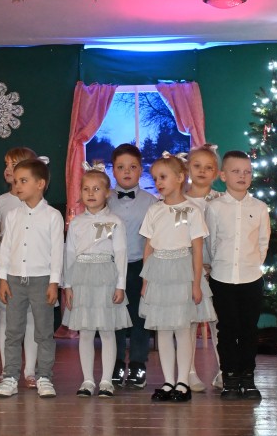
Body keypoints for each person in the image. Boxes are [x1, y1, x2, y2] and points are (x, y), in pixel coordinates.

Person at [139, 152, 210, 403]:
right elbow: (149, 247)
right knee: (163, 330)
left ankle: (183, 382)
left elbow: (197, 249)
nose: (158, 182)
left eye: (163, 177)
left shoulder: (192, 210)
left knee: (182, 329)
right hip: (159, 273)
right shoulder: (154, 210)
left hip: (183, 273)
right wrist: (146, 282)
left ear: (180, 178)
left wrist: (196, 283)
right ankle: (168, 381)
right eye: (155, 178)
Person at [0, 158, 63, 398]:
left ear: (40, 184)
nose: (17, 186)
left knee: (44, 332)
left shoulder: (53, 216)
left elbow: (57, 252)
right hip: (14, 280)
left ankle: (44, 376)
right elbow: (5, 248)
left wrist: (54, 282)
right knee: (13, 332)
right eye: (16, 181)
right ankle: (10, 377)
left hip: (41, 280)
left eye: (23, 181)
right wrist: (3, 278)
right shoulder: (13, 215)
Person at [205, 150, 270, 400]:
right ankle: (230, 378)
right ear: (223, 176)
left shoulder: (260, 208)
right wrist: (218, 266)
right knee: (227, 330)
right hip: (222, 278)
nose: (242, 176)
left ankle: (248, 378)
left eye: (247, 172)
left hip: (251, 278)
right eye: (236, 171)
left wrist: (252, 265)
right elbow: (211, 242)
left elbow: (263, 242)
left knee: (248, 330)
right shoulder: (215, 208)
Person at [63, 164, 131, 398]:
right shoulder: (76, 222)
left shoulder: (115, 221)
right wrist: (68, 285)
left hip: (106, 278)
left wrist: (120, 285)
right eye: (86, 189)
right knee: (86, 331)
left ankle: (106, 381)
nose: (91, 193)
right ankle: (88, 380)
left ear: (107, 193)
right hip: (82, 278)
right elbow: (69, 254)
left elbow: (120, 253)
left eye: (96, 189)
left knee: (107, 331)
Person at [108, 143, 157, 389]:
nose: (127, 172)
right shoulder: (103, 199)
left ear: (141, 170)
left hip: (140, 265)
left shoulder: (152, 202)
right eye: (121, 167)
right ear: (113, 170)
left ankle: (138, 363)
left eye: (133, 167)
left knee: (140, 317)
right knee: (115, 317)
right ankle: (115, 363)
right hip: (110, 268)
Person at [0, 147, 40, 387]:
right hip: (8, 262)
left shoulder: (39, 203)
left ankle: (30, 371)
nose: (9, 169)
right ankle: (7, 370)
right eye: (7, 164)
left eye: (15, 164)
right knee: (7, 318)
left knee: (30, 318)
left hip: (32, 262)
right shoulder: (1, 201)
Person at [184, 144, 223, 391]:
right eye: (197, 166)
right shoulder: (179, 202)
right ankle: (188, 372)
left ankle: (223, 371)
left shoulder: (222, 200)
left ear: (216, 172)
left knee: (219, 322)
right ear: (188, 168)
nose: (202, 171)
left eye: (208, 167)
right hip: (189, 271)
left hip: (218, 271)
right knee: (189, 321)